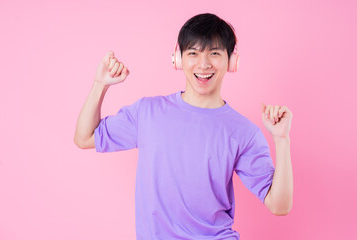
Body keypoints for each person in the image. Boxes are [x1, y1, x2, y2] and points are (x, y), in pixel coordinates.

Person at [74, 13, 293, 240]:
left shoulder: (244, 132)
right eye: (193, 53)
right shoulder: (147, 113)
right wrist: (100, 84)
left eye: (215, 53)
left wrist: (282, 140)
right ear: (178, 59)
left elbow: (279, 206)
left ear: (231, 61)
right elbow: (85, 138)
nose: (204, 64)